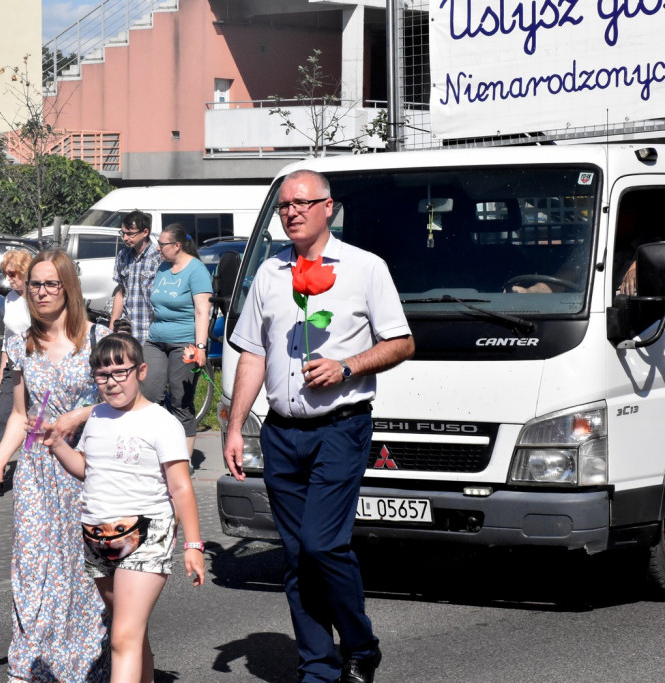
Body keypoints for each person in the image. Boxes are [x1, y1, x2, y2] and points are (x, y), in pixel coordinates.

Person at [223, 170, 414, 683]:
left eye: (303, 203)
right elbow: (253, 353)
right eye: (284, 206)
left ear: (328, 207)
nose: (292, 213)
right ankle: (318, 666)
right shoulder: (269, 273)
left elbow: (401, 343)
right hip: (282, 431)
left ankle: (359, 643)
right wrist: (236, 426)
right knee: (295, 555)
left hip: (340, 427)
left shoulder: (364, 268)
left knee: (321, 545)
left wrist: (347, 366)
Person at [38, 333, 205, 682]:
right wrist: (56, 445)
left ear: (141, 371)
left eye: (120, 372)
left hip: (147, 532)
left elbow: (180, 486)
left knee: (123, 636)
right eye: (102, 375)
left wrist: (193, 544)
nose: (112, 383)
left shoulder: (161, 422)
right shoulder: (97, 417)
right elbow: (86, 469)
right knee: (130, 631)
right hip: (97, 536)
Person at [0, 249, 110, 682]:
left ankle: (80, 665)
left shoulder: (98, 340)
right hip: (36, 470)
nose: (42, 292)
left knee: (80, 571)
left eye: (51, 283)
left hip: (85, 469)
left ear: (68, 287)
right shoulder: (20, 344)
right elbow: (20, 415)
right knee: (32, 568)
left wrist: (79, 414)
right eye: (35, 284)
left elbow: (126, 402)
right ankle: (30, 667)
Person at [142, 223, 212, 456]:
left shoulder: (197, 270)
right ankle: (157, 450)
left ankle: (184, 459)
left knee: (181, 402)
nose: (158, 249)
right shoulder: (163, 268)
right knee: (149, 396)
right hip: (156, 340)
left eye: (162, 245)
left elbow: (202, 311)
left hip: (185, 343)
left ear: (177, 245)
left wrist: (200, 347)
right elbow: (157, 305)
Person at [0, 249, 32, 479]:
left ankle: (33, 468)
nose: (10, 279)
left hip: (34, 363)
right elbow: (7, 336)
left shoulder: (37, 297)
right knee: (5, 417)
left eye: (14, 273)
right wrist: (0, 371)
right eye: (6, 274)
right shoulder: (10, 298)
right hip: (12, 364)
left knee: (35, 419)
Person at [110, 210, 160, 344]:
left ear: (145, 232)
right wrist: (112, 327)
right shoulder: (123, 255)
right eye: (123, 233)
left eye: (130, 234)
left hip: (151, 331)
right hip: (128, 330)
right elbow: (120, 293)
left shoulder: (158, 257)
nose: (125, 238)